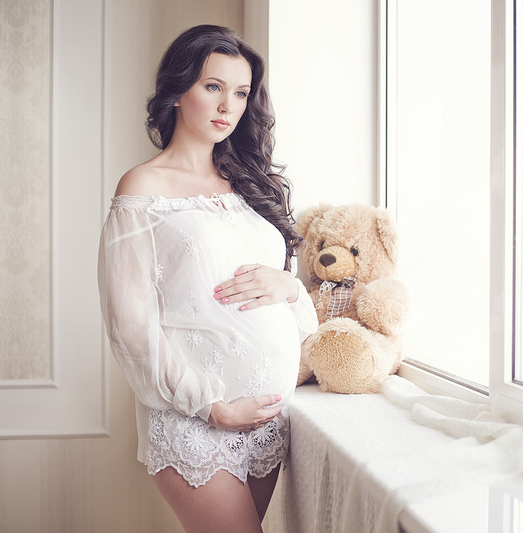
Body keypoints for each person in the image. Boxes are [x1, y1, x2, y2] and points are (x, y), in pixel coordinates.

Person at [98, 25, 318, 533]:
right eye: (213, 86)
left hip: (267, 419)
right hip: (197, 418)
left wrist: (290, 287)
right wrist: (211, 407)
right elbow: (129, 325)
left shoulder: (251, 182)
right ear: (178, 90)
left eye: (240, 93)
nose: (228, 106)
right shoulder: (143, 186)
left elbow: (288, 301)